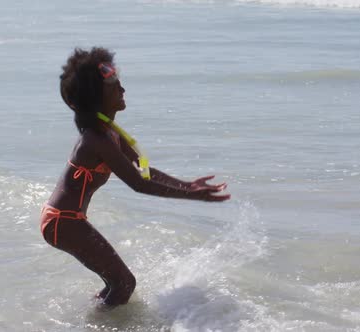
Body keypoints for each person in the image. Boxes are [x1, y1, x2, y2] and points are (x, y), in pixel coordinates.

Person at [41, 47, 231, 306]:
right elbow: (138, 184)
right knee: (125, 283)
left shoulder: (110, 133)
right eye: (115, 87)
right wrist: (192, 196)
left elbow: (144, 170)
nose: (123, 90)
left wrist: (188, 185)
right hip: (62, 222)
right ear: (97, 98)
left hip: (68, 220)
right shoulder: (96, 140)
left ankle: (95, 314)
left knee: (117, 283)